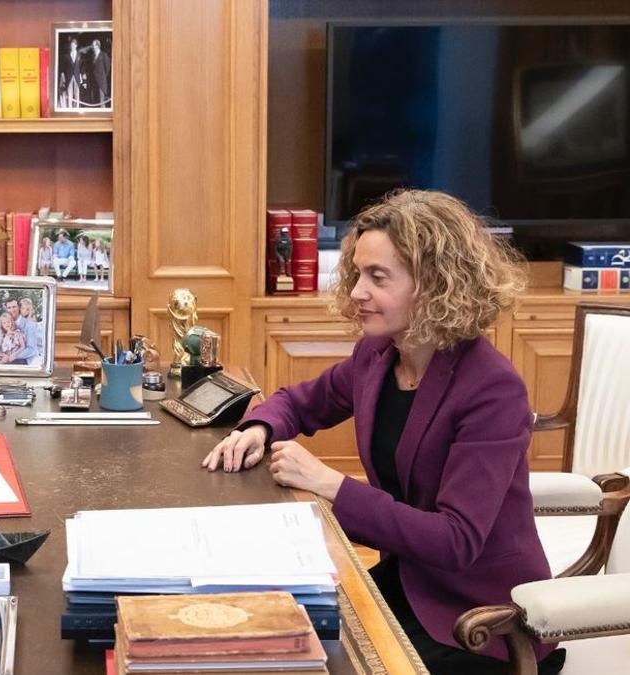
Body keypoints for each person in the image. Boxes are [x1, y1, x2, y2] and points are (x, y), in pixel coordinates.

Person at [201, 190, 563, 675]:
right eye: (356, 273)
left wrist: (329, 483)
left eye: (377, 277)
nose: (355, 292)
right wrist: (261, 426)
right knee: (263, 636)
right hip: (409, 581)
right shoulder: (377, 356)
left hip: (479, 619)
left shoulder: (493, 389)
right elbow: (300, 402)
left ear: (436, 285)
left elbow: (455, 541)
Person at [17, 297, 43, 367]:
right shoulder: (19, 319)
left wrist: (30, 315)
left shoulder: (31, 321)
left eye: (27, 309)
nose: (25, 311)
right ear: (20, 308)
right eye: (23, 308)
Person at [59, 37, 83, 109]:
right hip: (68, 77)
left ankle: (77, 108)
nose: (72, 46)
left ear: (76, 45)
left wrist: (81, 76)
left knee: (77, 94)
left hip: (77, 77)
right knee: (69, 93)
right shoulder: (66, 56)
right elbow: (62, 67)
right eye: (71, 45)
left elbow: (82, 66)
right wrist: (63, 75)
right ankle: (69, 109)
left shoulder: (80, 55)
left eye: (73, 45)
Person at [88, 38, 111, 106]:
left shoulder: (104, 55)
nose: (92, 47)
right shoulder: (92, 56)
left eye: (93, 45)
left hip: (101, 82)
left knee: (101, 101)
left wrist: (103, 76)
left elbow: (107, 68)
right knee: (95, 100)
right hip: (94, 81)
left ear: (97, 46)